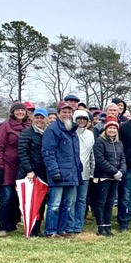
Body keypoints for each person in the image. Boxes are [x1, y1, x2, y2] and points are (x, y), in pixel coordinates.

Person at [41, 101, 84, 238]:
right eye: (64, 112)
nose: (67, 114)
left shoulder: (72, 130)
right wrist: (54, 171)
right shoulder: (52, 129)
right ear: (58, 113)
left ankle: (62, 230)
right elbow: (48, 152)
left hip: (72, 174)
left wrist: (78, 169)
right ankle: (51, 231)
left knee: (68, 204)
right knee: (55, 204)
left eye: (69, 112)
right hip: (58, 173)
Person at [0, 101, 29, 237]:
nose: (20, 112)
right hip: (7, 166)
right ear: (12, 112)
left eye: (22, 110)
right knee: (6, 197)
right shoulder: (4, 126)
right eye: (17, 110)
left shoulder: (27, 126)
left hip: (22, 167)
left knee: (17, 198)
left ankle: (13, 223)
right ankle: (2, 226)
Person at [18, 108, 49, 236]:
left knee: (41, 202)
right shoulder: (27, 133)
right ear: (32, 119)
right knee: (30, 202)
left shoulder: (48, 133)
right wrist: (29, 170)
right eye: (37, 118)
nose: (39, 120)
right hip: (30, 173)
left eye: (42, 118)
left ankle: (37, 228)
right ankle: (30, 227)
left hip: (43, 173)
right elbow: (22, 152)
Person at [93, 117, 125, 236]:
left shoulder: (119, 143)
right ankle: (100, 226)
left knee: (110, 202)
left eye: (114, 128)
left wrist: (121, 171)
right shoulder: (100, 141)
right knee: (101, 202)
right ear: (105, 129)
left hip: (116, 177)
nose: (112, 130)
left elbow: (123, 158)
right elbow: (100, 159)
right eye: (110, 128)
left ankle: (108, 225)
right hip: (103, 176)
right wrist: (114, 171)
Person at [67, 110, 95, 234]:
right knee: (71, 199)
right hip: (72, 173)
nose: (82, 121)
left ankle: (78, 225)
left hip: (86, 172)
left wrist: (92, 172)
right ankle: (70, 224)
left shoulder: (90, 134)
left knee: (82, 200)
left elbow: (91, 154)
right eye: (79, 119)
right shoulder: (70, 133)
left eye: (84, 119)